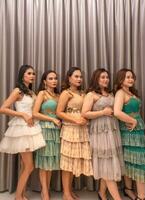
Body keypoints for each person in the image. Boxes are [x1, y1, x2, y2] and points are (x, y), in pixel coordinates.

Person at [0, 65, 46, 200]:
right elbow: (3, 108)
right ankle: (18, 197)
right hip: (22, 129)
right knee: (29, 166)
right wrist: (23, 115)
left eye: (33, 74)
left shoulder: (31, 92)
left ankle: (21, 194)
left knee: (24, 165)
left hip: (32, 128)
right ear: (22, 75)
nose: (32, 76)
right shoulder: (18, 91)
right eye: (29, 73)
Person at [82, 68, 124, 200]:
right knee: (106, 164)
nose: (106, 79)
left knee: (110, 163)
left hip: (113, 130)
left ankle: (101, 192)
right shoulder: (91, 95)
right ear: (96, 79)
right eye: (102, 77)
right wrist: (102, 112)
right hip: (100, 133)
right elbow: (85, 113)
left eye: (107, 77)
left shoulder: (111, 93)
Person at [56, 67, 93, 200]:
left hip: (82, 130)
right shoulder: (66, 93)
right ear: (69, 78)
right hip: (70, 130)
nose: (79, 79)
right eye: (76, 76)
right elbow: (59, 112)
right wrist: (75, 120)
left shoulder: (83, 93)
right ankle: (66, 193)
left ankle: (69, 190)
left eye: (80, 77)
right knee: (67, 162)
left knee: (74, 161)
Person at [114, 68, 145, 200]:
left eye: (132, 77)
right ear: (121, 79)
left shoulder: (131, 92)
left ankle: (129, 189)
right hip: (129, 132)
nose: (131, 79)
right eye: (127, 77)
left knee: (132, 161)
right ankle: (141, 196)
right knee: (136, 162)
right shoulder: (120, 93)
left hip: (137, 132)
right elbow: (117, 112)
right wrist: (132, 120)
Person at [33, 70, 61, 200]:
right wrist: (52, 119)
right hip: (45, 129)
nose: (54, 81)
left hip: (56, 131)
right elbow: (35, 113)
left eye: (55, 78)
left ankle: (46, 189)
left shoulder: (58, 95)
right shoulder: (42, 94)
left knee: (51, 162)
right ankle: (44, 192)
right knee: (44, 160)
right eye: (50, 78)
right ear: (45, 81)